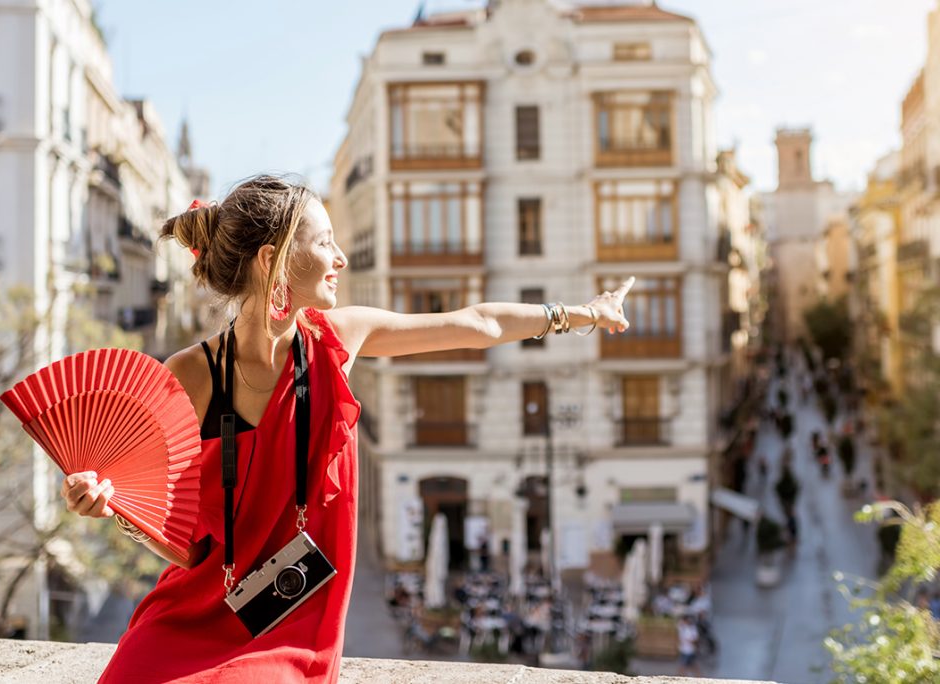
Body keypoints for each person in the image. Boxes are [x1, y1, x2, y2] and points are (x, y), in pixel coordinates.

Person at [58, 175, 633, 683]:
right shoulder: (188, 374)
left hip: (290, 623)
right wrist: (113, 509)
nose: (341, 258)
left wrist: (583, 313)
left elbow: (476, 322)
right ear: (274, 259)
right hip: (196, 611)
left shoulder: (338, 339)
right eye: (325, 241)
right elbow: (184, 551)